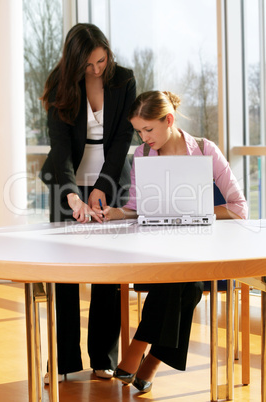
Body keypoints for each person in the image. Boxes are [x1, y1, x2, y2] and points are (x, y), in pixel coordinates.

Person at [98, 90, 248, 393]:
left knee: (183, 280)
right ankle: (151, 360)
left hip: (200, 249)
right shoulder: (143, 155)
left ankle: (138, 350)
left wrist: (197, 210)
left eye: (148, 129)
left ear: (169, 120)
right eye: (139, 131)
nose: (143, 137)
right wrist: (113, 213)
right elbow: (137, 207)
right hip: (159, 249)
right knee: (185, 284)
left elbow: (239, 207)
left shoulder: (206, 150)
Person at [39, 23, 136, 383]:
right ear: (74, 62)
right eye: (89, 65)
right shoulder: (59, 83)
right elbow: (60, 148)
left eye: (101, 60)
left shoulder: (123, 79)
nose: (96, 70)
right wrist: (72, 194)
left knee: (106, 272)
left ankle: (103, 358)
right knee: (63, 273)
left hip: (110, 178)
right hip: (66, 182)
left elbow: (124, 137)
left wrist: (101, 188)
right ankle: (64, 362)